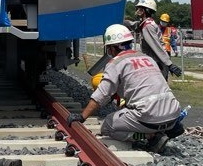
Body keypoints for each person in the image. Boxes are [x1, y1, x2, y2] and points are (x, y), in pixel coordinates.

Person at [68, 24, 185, 154]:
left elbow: (101, 94)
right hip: (173, 113)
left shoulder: (116, 63)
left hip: (149, 115)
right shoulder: (148, 58)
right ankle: (167, 128)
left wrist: (82, 117)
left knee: (108, 127)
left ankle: (149, 136)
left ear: (112, 48)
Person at [135, 0, 182, 80]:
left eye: (140, 9)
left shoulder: (148, 26)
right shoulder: (146, 23)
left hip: (157, 63)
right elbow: (135, 25)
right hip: (157, 62)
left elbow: (156, 46)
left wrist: (169, 64)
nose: (138, 11)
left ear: (147, 10)